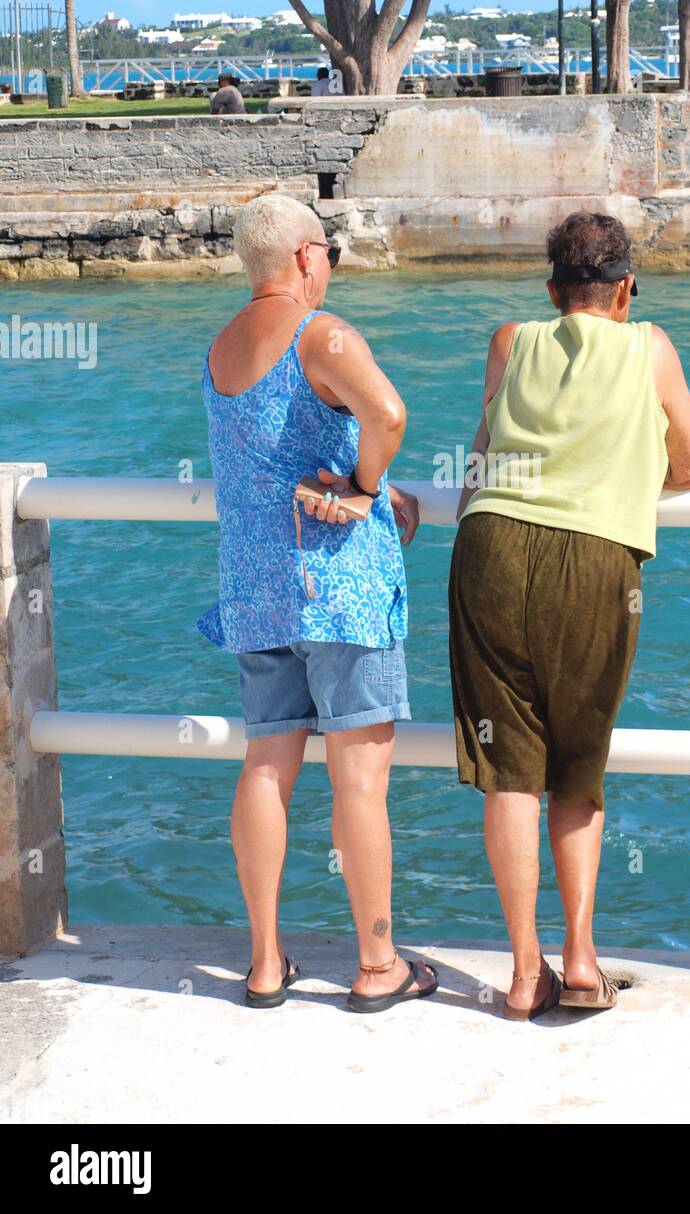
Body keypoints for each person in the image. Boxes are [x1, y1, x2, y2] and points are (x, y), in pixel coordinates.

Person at [449, 210, 690, 1021]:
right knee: (578, 765)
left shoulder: (508, 341)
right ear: (625, 287)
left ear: (552, 290)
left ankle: (525, 972)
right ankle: (581, 959)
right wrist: (619, 477)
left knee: (508, 771)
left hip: (488, 548)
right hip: (596, 558)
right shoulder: (651, 347)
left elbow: (481, 456)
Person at [197, 191, 437, 1013]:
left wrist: (373, 480)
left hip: (256, 588)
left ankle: (265, 962)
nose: (329, 263)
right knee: (359, 781)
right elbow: (389, 412)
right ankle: (378, 966)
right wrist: (370, 487)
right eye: (326, 249)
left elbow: (276, 454)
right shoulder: (320, 334)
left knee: (267, 763)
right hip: (337, 591)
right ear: (302, 256)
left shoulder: (221, 346)